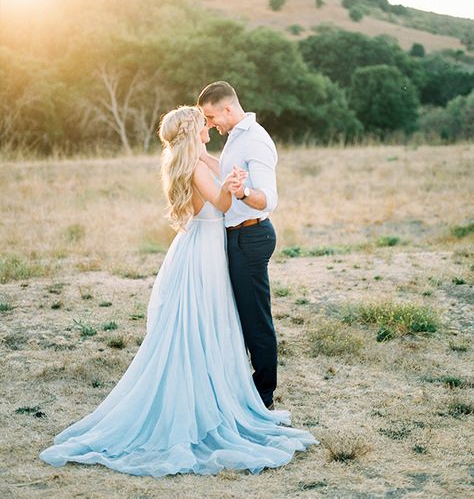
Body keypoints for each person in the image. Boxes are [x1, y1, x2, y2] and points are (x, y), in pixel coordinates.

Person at [39, 106, 316, 477]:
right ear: (192, 130)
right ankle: (206, 401)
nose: (208, 126)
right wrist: (234, 187)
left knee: (204, 321)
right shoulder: (196, 167)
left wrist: (225, 171)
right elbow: (220, 202)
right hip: (203, 249)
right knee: (199, 322)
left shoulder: (196, 160)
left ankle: (220, 392)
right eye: (202, 123)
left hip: (201, 245)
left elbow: (215, 175)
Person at [197, 81, 279, 410]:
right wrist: (203, 158)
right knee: (239, 315)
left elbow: (267, 198)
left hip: (251, 235)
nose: (210, 124)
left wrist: (243, 193)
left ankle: (263, 396)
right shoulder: (235, 137)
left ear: (228, 109)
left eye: (212, 117)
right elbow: (230, 174)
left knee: (254, 318)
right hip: (238, 235)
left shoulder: (256, 141)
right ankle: (244, 387)